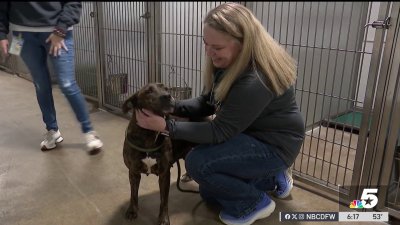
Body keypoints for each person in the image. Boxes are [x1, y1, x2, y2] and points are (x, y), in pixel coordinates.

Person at [136, 3, 305, 225]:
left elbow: (220, 130)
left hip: (274, 145)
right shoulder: (228, 63)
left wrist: (166, 127)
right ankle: (271, 178)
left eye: (217, 47)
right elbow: (206, 103)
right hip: (250, 134)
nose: (209, 52)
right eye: (206, 44)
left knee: (198, 164)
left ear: (243, 44)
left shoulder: (256, 79)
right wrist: (171, 107)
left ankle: (254, 203)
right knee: (209, 192)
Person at [0, 2, 103, 155]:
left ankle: (89, 131)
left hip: (57, 31)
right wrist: (2, 33)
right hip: (21, 34)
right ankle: (52, 130)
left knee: (67, 83)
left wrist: (61, 29)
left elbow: (73, 3)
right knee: (40, 84)